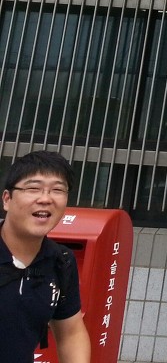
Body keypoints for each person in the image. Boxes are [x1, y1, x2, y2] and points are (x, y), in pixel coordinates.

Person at [0, 151, 90, 363]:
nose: (45, 199)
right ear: (7, 199)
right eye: (33, 188)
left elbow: (71, 333)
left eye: (57, 190)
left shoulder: (61, 261)